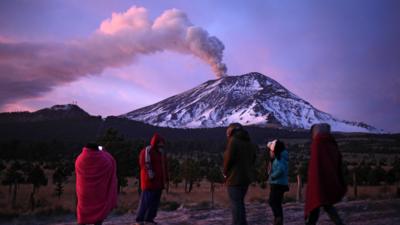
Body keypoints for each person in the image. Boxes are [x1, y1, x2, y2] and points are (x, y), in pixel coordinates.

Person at [305, 123, 347, 225]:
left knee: (318, 204)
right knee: (324, 205)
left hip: (318, 182)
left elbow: (315, 166)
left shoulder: (317, 143)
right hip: (329, 180)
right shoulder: (331, 142)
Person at [223, 123, 257, 225]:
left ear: (231, 132)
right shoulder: (249, 142)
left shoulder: (233, 141)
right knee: (240, 203)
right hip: (246, 178)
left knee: (236, 205)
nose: (227, 136)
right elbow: (253, 159)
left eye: (227, 133)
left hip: (234, 178)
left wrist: (225, 172)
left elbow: (228, 160)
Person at [75, 143, 117, 225]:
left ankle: (82, 222)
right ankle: (97, 222)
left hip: (84, 192)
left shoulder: (80, 159)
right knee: (99, 209)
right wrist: (104, 152)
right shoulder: (105, 160)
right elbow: (111, 162)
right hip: (99, 191)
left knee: (83, 209)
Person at [136, 133, 169, 225]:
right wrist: (150, 175)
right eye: (159, 144)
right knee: (146, 201)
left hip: (159, 183)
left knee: (154, 203)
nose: (161, 146)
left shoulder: (161, 153)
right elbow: (145, 164)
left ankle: (149, 219)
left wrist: (166, 178)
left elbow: (164, 166)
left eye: (162, 144)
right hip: (149, 182)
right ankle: (140, 219)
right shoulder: (147, 151)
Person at [267, 139, 289, 225]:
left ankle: (278, 219)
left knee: (272, 201)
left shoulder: (279, 159)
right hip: (281, 184)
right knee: (277, 203)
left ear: (274, 151)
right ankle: (278, 219)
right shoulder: (281, 158)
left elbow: (281, 170)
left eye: (271, 151)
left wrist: (272, 176)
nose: (270, 152)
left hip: (277, 184)